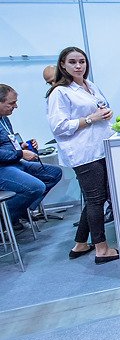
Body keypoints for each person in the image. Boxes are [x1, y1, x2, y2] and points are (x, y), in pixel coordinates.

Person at [46, 47, 119, 264]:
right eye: (73, 62)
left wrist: (105, 113)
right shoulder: (60, 92)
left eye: (82, 61)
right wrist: (91, 119)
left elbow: (99, 108)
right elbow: (59, 127)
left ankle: (80, 244)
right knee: (96, 200)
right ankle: (101, 249)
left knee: (95, 198)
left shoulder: (90, 85)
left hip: (101, 147)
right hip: (84, 153)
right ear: (62, 65)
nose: (78, 66)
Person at [0, 84, 63, 233]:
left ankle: (20, 210)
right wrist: (21, 154)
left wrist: (23, 146)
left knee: (54, 173)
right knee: (36, 187)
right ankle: (5, 221)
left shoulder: (4, 119)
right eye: (11, 103)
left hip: (14, 163)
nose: (15, 106)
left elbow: (7, 142)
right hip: (3, 168)